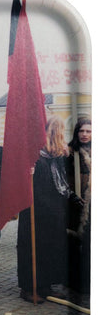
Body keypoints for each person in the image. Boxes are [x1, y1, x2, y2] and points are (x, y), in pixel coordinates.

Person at [17, 116, 83, 303]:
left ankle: (45, 285)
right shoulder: (35, 154)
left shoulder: (58, 155)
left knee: (50, 248)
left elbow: (61, 183)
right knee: (32, 247)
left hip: (53, 209)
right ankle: (29, 287)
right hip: (35, 208)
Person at [66, 117, 91, 293]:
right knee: (73, 243)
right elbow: (62, 179)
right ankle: (74, 282)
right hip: (74, 203)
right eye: (81, 131)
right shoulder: (69, 152)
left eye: (88, 131)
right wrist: (73, 197)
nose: (84, 134)